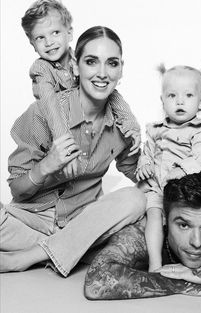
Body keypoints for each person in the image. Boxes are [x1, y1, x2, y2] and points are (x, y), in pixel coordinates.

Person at [0, 26, 146, 277]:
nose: (102, 73)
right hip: (31, 221)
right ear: (76, 67)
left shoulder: (124, 125)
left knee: (136, 200)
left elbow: (135, 174)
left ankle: (29, 257)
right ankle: (71, 250)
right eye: (91, 62)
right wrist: (47, 165)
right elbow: (17, 189)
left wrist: (146, 154)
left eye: (111, 63)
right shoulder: (44, 113)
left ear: (121, 69)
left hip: (84, 221)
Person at [136, 57, 201, 272]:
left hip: (191, 188)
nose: (180, 102)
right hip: (159, 186)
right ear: (162, 100)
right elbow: (147, 152)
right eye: (172, 95)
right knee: (153, 215)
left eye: (188, 95)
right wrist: (144, 165)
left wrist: (181, 170)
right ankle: (155, 264)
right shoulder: (155, 130)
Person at [21, 0, 141, 178]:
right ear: (32, 43)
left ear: (69, 33)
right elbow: (50, 106)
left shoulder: (82, 58)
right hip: (56, 131)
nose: (49, 42)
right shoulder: (41, 69)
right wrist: (64, 147)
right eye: (40, 37)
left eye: (55, 32)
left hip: (85, 127)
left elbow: (111, 94)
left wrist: (130, 123)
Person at [84, 170, 201, 300]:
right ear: (164, 219)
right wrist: (185, 283)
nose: (197, 242)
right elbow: (96, 281)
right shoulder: (141, 234)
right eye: (184, 225)